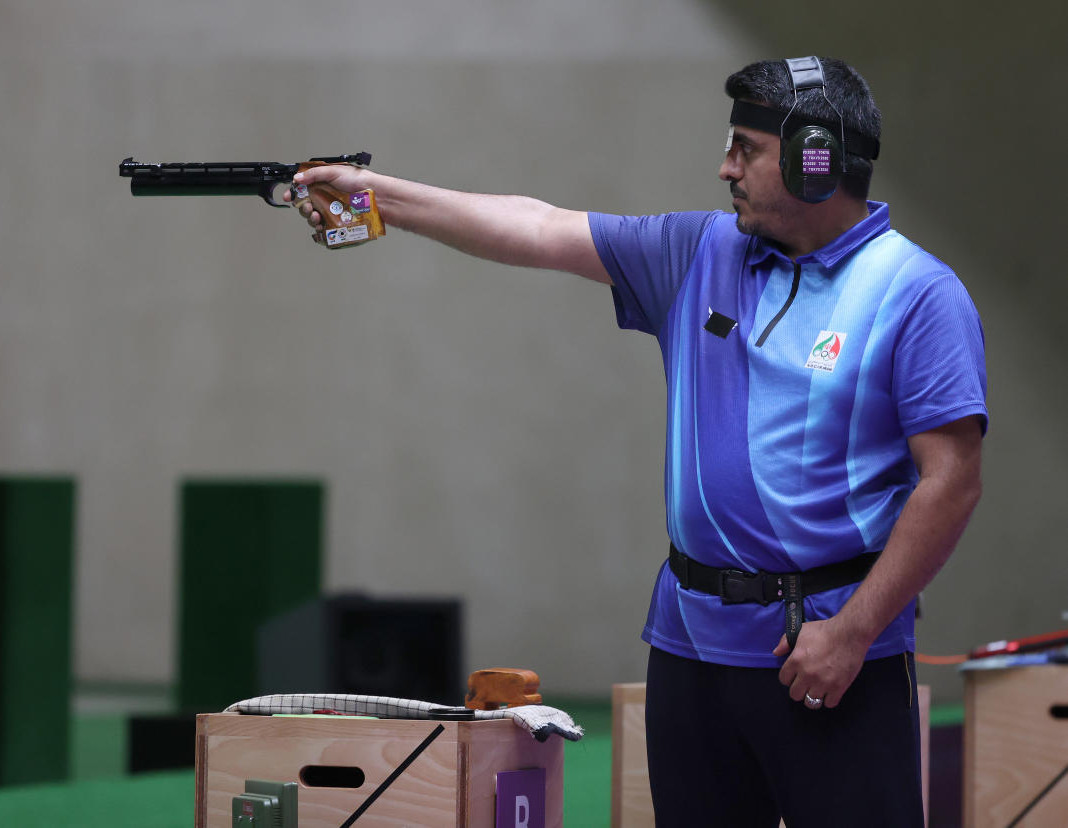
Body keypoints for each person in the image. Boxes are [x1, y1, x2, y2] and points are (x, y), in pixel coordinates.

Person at [290, 56, 986, 827]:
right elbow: (538, 227)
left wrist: (853, 633)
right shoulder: (699, 253)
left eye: (746, 149)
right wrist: (377, 196)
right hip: (691, 650)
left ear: (813, 159)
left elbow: (950, 481)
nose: (725, 167)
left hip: (827, 656)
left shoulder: (918, 293)